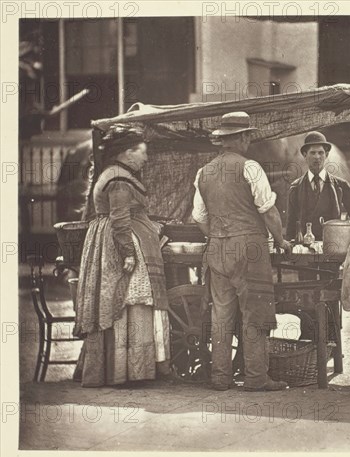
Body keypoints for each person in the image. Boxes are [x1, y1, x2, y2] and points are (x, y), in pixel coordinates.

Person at [192, 111, 292, 392]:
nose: (249, 139)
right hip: (249, 249)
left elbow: (199, 217)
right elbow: (269, 212)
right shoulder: (251, 167)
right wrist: (281, 241)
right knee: (254, 314)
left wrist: (218, 235)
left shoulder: (204, 172)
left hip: (217, 249)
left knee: (221, 315)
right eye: (247, 135)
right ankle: (256, 377)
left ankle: (220, 377)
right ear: (239, 138)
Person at [74, 125, 171, 387]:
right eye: (142, 152)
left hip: (114, 240)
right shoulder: (118, 179)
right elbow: (119, 218)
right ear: (127, 153)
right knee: (129, 301)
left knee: (122, 302)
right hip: (118, 245)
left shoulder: (115, 174)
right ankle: (128, 372)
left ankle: (122, 370)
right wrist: (128, 253)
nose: (145, 158)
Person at [286, 131, 350, 241]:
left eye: (321, 153)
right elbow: (291, 226)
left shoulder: (340, 185)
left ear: (327, 155)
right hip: (305, 249)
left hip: (332, 247)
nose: (317, 157)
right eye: (313, 153)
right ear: (305, 155)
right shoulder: (295, 188)